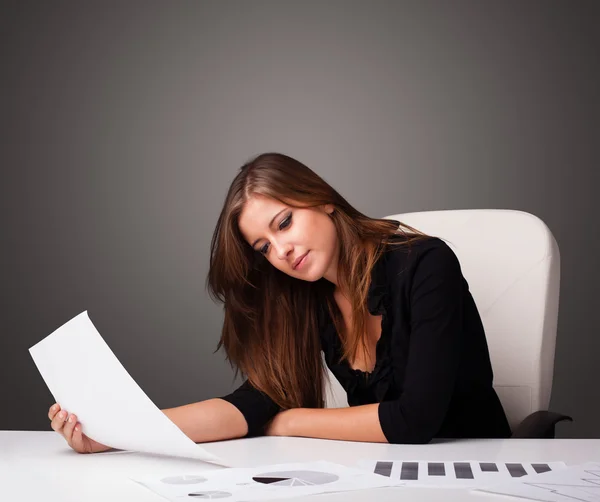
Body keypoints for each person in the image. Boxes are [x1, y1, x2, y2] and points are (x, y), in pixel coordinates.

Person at [47, 152, 511, 453]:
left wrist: (287, 423)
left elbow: (415, 420)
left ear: (323, 201)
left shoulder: (427, 264)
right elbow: (252, 403)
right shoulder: (308, 297)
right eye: (264, 247)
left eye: (284, 223)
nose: (281, 251)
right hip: (390, 478)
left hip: (487, 472)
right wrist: (115, 433)